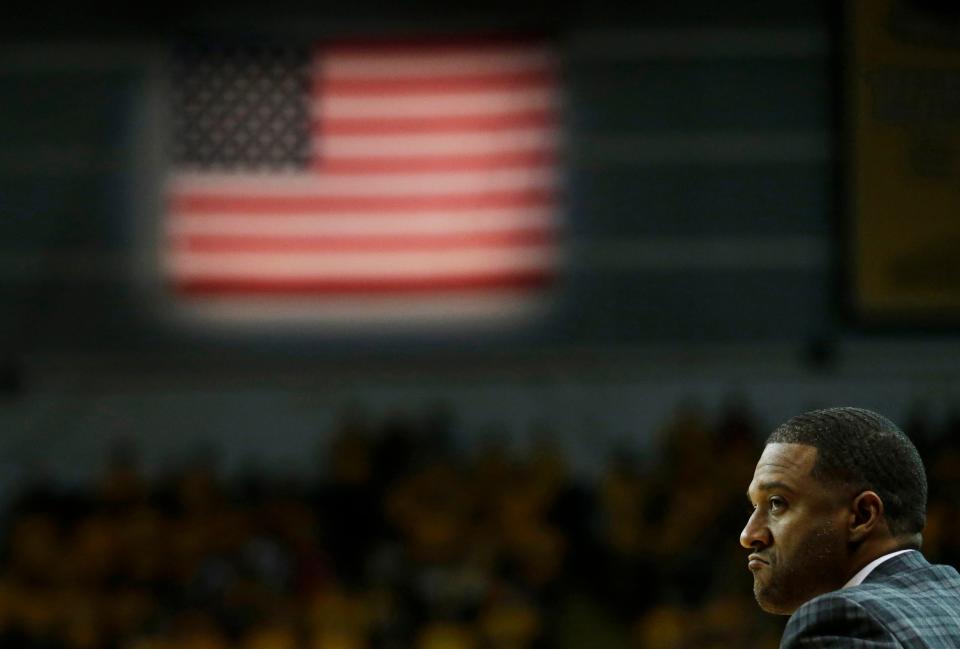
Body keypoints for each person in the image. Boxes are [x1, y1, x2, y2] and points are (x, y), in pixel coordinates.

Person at [740, 406, 960, 647]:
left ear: (862, 515)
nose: (749, 535)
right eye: (754, 507)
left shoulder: (842, 621)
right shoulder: (952, 597)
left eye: (776, 503)